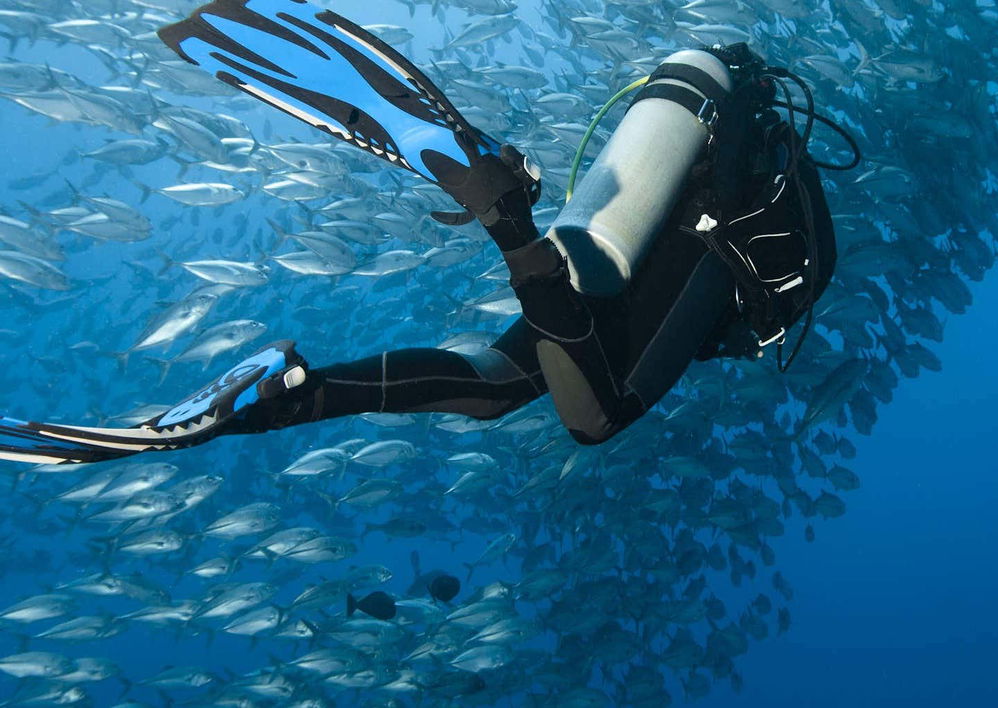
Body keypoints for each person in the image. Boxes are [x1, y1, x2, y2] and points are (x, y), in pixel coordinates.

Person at [0, 0, 855, 465]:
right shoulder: (789, 227)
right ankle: (504, 215)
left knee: (495, 385)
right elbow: (757, 307)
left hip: (621, 238)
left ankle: (284, 397)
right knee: (598, 418)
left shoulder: (753, 145)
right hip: (706, 249)